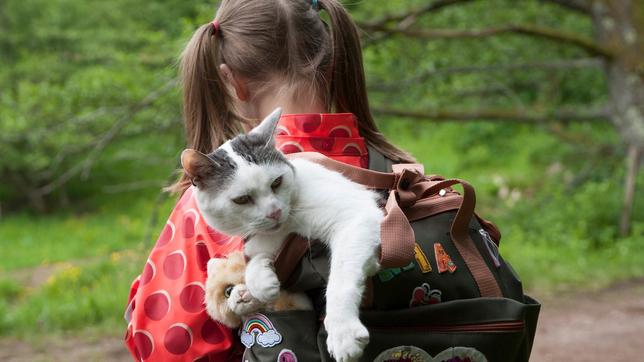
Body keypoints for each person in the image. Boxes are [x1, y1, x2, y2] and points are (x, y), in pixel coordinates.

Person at [123, 0, 414, 360]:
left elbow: (166, 345)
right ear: (336, 62)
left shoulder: (209, 203)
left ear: (231, 81)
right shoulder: (404, 173)